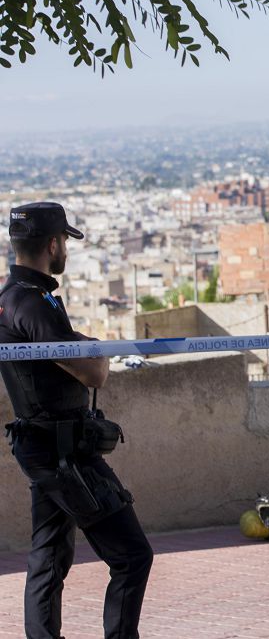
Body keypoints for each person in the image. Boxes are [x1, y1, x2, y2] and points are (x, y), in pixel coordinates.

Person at [0, 202, 153, 639]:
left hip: (47, 446)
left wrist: (85, 344)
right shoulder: (31, 303)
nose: (65, 247)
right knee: (131, 555)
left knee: (48, 558)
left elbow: (68, 349)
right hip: (62, 452)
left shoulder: (17, 299)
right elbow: (92, 371)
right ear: (52, 244)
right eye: (64, 240)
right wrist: (97, 352)